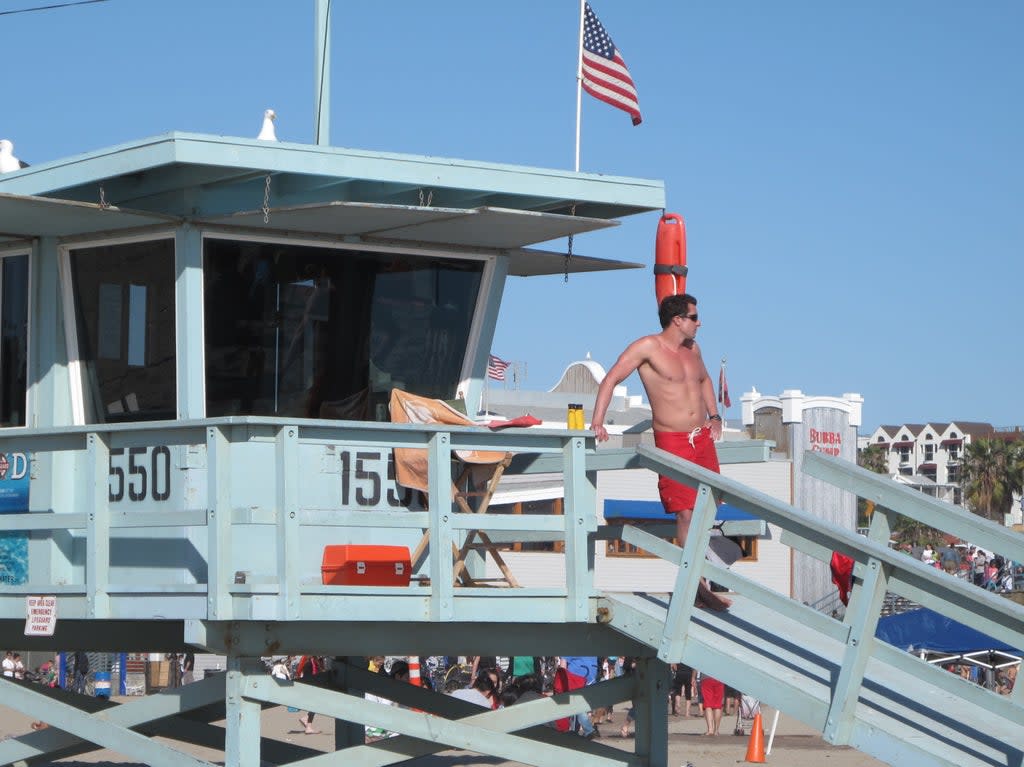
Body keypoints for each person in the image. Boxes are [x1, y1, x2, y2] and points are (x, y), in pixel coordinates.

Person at [591, 293, 731, 611]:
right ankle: (695, 583)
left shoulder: (693, 349)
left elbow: (706, 380)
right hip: (673, 440)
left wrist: (715, 416)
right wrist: (597, 421)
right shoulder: (647, 347)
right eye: (694, 317)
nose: (699, 323)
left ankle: (702, 577)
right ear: (677, 320)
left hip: (702, 440)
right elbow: (611, 378)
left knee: (707, 508)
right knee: (686, 510)